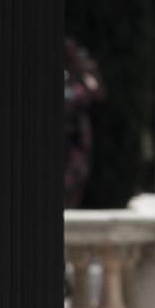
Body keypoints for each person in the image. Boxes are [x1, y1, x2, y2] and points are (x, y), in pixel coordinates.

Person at [63, 39, 106, 208]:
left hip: (77, 138)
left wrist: (88, 71)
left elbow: (96, 93)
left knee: (75, 176)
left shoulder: (83, 75)